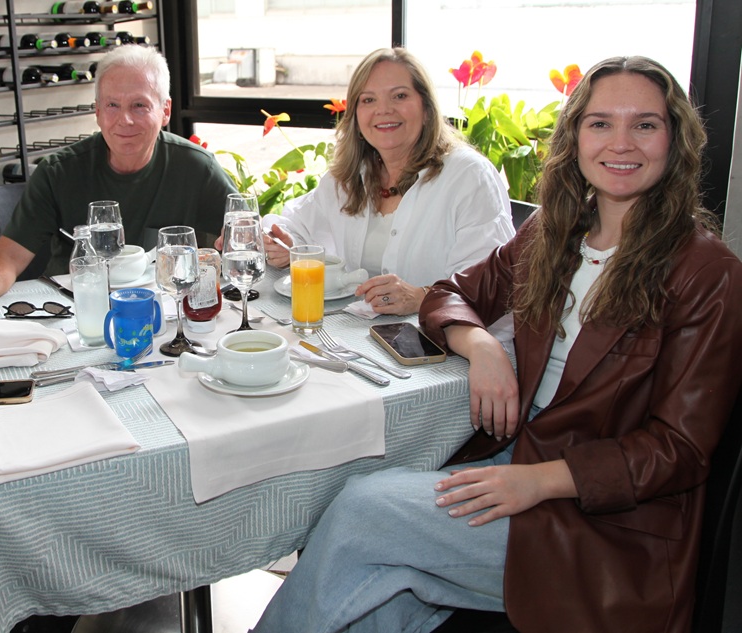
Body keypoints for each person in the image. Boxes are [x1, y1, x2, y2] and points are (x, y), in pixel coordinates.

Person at [252, 56, 742, 633]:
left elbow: (678, 451)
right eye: (601, 123)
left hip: (607, 525)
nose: (621, 142)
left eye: (645, 124)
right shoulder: (556, 234)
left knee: (364, 513)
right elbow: (451, 293)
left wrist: (538, 481)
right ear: (576, 136)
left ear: (674, 138)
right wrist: (480, 343)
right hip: (521, 456)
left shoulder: (707, 271)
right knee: (375, 582)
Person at [0, 44, 236, 335]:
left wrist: (269, 249)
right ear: (98, 112)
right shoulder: (57, 171)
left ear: (165, 110)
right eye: (112, 105)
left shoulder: (197, 167)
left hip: (162, 317)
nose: (124, 120)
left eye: (139, 105)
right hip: (74, 316)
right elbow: (10, 254)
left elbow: (243, 238)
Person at [263, 47, 514, 316]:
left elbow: (493, 285)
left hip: (448, 345)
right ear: (356, 116)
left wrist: (422, 297)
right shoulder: (348, 177)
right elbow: (294, 226)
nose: (383, 110)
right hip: (363, 340)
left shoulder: (469, 176)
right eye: (368, 100)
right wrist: (283, 244)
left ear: (427, 108)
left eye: (400, 96)